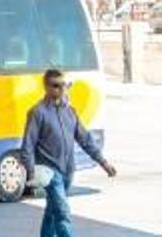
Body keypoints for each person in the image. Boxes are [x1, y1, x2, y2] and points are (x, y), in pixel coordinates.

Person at [21, 69, 117, 237]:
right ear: (46, 87)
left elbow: (85, 139)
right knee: (63, 212)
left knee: (53, 211)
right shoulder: (37, 112)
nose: (60, 89)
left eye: (63, 85)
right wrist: (30, 172)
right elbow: (28, 145)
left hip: (68, 170)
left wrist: (104, 163)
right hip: (50, 172)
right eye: (55, 85)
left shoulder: (70, 112)